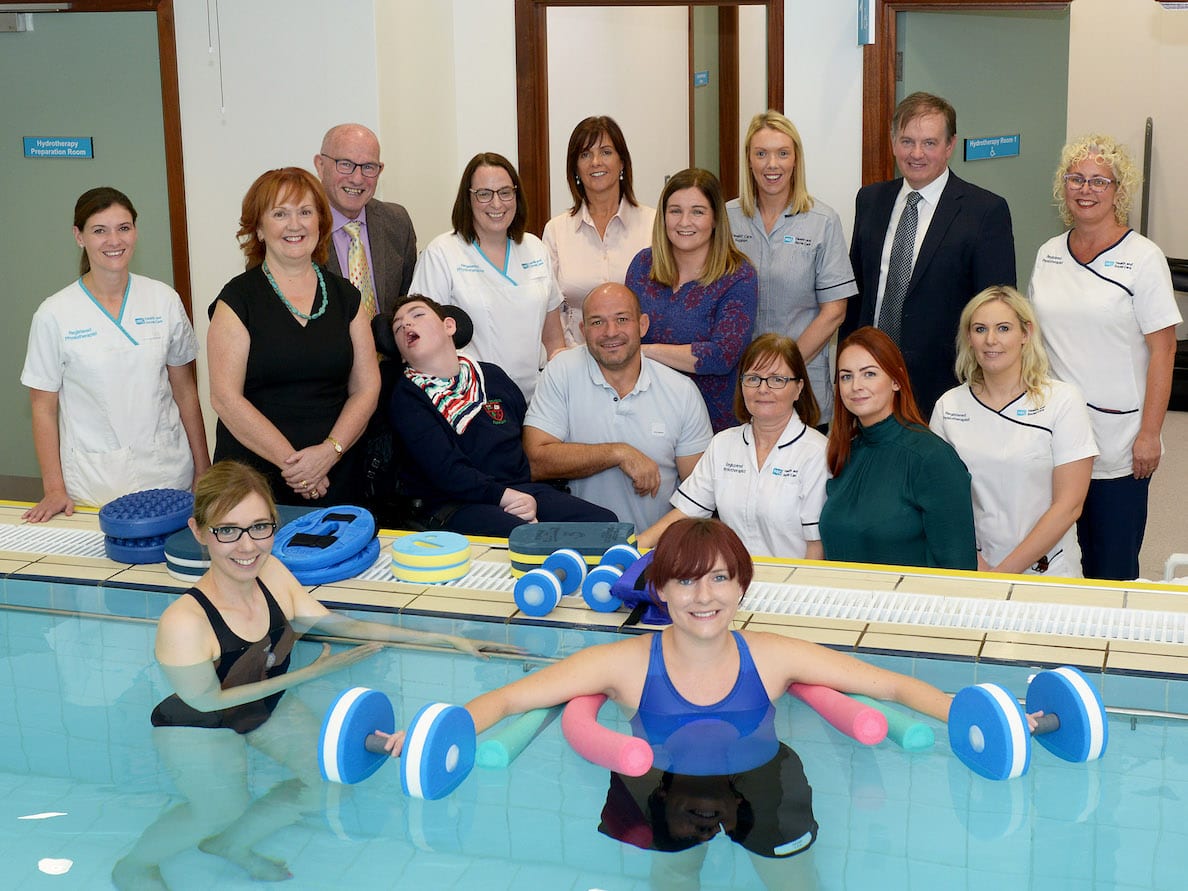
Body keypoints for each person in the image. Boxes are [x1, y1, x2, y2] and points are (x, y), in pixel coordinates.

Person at [380, 518, 953, 884]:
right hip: (658, 784)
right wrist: (436, 733)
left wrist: (976, 715)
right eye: (686, 581)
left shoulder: (773, 655)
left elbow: (891, 685)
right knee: (676, 884)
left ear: (741, 587)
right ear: (658, 589)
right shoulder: (624, 664)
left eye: (721, 579)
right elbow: (506, 701)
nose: (705, 597)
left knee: (795, 885)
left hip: (762, 779)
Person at [112, 461, 514, 888]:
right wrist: (314, 673)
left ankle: (231, 844)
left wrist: (445, 639)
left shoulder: (271, 573)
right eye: (227, 530)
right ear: (199, 531)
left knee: (329, 782)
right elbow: (207, 701)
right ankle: (136, 863)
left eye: (260, 527)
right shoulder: (184, 622)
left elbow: (342, 626)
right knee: (220, 808)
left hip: (261, 707)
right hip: (198, 725)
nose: (246, 546)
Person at [1029, 134, 1181, 580]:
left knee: (1109, 564)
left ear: (1119, 190)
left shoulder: (1143, 259)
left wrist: (1150, 433)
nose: (1086, 189)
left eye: (1099, 180)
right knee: (1052, 554)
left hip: (1119, 435)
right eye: (1076, 178)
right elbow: (1033, 337)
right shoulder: (1049, 254)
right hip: (1055, 428)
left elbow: (1163, 349)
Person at [20, 187, 209, 522]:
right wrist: (53, 488)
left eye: (123, 228)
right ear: (79, 236)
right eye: (99, 230)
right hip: (94, 483)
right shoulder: (54, 314)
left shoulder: (163, 300)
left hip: (169, 474)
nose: (114, 240)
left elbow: (185, 390)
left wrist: (203, 468)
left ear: (135, 231)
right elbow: (43, 408)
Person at [207, 167, 380, 506]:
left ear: (320, 222)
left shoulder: (346, 297)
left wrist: (328, 453)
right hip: (254, 481)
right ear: (258, 228)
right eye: (280, 214)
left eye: (305, 212)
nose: (295, 225)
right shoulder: (238, 299)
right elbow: (225, 399)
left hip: (336, 474)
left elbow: (367, 388)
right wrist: (298, 466)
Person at [844, 91, 1016, 417]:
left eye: (930, 143)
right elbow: (858, 295)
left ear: (950, 146)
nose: (917, 153)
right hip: (870, 379)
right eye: (907, 141)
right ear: (893, 142)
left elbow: (997, 307)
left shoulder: (985, 211)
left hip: (945, 386)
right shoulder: (870, 201)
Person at [386, 293, 617, 535]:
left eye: (417, 315)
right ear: (402, 353)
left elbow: (524, 440)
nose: (406, 325)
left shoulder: (492, 377)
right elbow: (446, 471)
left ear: (449, 325)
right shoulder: (406, 396)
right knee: (529, 539)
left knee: (606, 526)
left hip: (520, 488)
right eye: (398, 327)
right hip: (454, 502)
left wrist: (524, 495)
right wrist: (505, 498)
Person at [931, 287, 1097, 576]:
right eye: (980, 329)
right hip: (973, 567)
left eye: (1003, 328)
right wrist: (976, 564)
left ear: (1026, 333)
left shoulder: (1062, 401)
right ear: (969, 338)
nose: (990, 340)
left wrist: (1002, 574)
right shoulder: (949, 406)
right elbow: (937, 500)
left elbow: (1069, 505)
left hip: (1048, 569)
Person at [523, 282, 713, 533]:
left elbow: (701, 495)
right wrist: (618, 453)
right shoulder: (561, 372)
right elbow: (536, 462)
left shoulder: (681, 391)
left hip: (654, 552)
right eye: (597, 322)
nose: (611, 332)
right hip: (574, 548)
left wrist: (647, 548)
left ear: (642, 325)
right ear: (583, 330)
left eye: (622, 319)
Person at [639, 333, 829, 560]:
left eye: (777, 379)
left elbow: (816, 546)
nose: (763, 388)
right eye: (753, 378)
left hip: (790, 585)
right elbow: (685, 513)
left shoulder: (817, 452)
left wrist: (798, 593)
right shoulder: (723, 444)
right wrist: (631, 548)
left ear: (798, 388)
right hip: (730, 582)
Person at [727, 111, 857, 426]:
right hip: (741, 385)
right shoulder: (726, 218)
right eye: (762, 154)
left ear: (795, 159)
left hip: (803, 383)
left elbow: (834, 313)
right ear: (749, 160)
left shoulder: (822, 221)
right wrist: (760, 377)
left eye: (782, 153)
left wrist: (783, 370)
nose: (772, 164)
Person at [409, 152, 565, 402]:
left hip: (537, 399)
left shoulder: (536, 248)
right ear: (467, 199)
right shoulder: (442, 253)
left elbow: (554, 338)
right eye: (484, 194)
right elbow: (421, 341)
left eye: (505, 192)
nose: (496, 204)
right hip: (472, 401)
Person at [819, 327, 976, 570]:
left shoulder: (931, 458)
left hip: (909, 605)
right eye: (846, 376)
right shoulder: (845, 452)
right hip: (843, 605)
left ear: (895, 380)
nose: (856, 385)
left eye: (869, 374)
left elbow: (959, 569)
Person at [626, 167, 758, 433]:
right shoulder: (642, 265)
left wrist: (644, 351)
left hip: (713, 422)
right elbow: (625, 329)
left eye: (697, 211)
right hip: (646, 415)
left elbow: (722, 355)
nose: (684, 222)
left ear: (715, 219)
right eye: (675, 211)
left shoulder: (738, 275)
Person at [542, 115, 655, 346]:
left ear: (622, 162)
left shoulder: (653, 224)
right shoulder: (556, 230)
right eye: (585, 154)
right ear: (575, 168)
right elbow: (548, 308)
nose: (596, 162)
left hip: (640, 358)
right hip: (574, 358)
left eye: (606, 152)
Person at [314, 122, 418, 317]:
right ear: (320, 166)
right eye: (345, 164)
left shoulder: (397, 222)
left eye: (368, 167)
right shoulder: (298, 228)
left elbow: (408, 303)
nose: (357, 178)